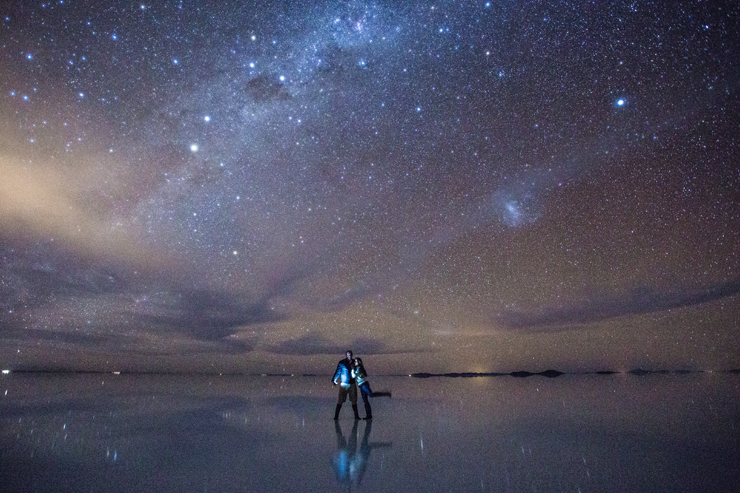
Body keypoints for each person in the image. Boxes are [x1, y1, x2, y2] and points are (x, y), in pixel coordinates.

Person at [332, 350, 360, 420]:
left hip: (352, 384)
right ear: (346, 355)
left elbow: (358, 371)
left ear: (352, 355)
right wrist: (334, 379)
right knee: (340, 400)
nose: (349, 356)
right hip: (344, 384)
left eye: (350, 354)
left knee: (354, 400)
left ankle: (356, 416)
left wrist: (360, 382)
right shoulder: (342, 363)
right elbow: (338, 371)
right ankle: (336, 417)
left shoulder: (354, 362)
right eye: (348, 354)